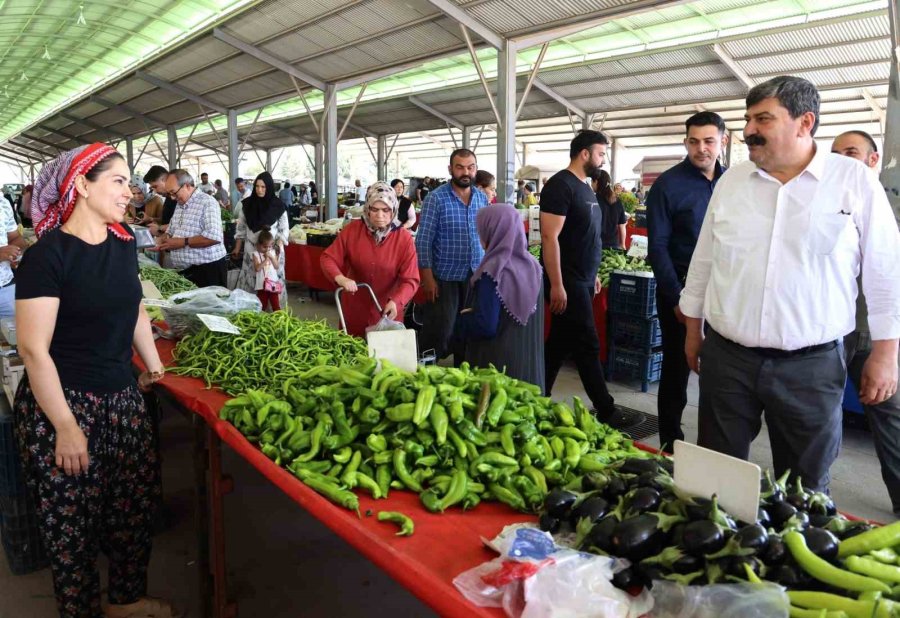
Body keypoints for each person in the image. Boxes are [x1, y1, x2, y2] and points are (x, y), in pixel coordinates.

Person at [680, 76, 900, 492]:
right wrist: (693, 330)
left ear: (805, 122)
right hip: (729, 360)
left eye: (763, 119)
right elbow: (704, 260)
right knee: (715, 475)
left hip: (811, 369)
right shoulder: (732, 183)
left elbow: (885, 270)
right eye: (748, 119)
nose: (749, 130)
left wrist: (887, 353)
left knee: (805, 485)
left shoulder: (853, 181)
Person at [14, 143, 171, 618]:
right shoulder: (47, 257)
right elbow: (33, 349)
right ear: (82, 185)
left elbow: (135, 309)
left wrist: (154, 367)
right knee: (72, 529)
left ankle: (126, 601)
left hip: (121, 399)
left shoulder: (123, 244)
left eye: (130, 183)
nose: (130, 192)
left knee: (132, 512)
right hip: (65, 405)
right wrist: (65, 426)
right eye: (118, 181)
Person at [646, 111, 727, 450]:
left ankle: (715, 448)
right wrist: (678, 298)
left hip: (723, 292)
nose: (701, 148)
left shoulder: (732, 182)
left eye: (709, 141)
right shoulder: (668, 185)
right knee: (677, 369)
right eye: (694, 142)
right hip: (680, 288)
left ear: (722, 141)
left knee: (723, 372)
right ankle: (671, 444)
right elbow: (658, 247)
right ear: (685, 142)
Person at [831, 129, 900, 516]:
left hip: (872, 334)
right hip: (830, 331)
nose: (842, 161)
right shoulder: (824, 204)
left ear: (873, 160)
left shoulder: (889, 210)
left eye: (851, 153)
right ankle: (810, 499)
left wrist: (888, 349)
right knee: (818, 417)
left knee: (889, 414)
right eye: (836, 153)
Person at [541, 130, 621, 423]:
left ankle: (537, 394)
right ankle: (607, 409)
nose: (603, 160)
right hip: (568, 280)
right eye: (600, 154)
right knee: (588, 343)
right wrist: (557, 284)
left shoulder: (586, 188)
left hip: (584, 279)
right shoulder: (560, 186)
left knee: (559, 343)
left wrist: (594, 274)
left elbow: (588, 236)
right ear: (584, 153)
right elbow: (549, 238)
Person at [455, 204, 545, 390]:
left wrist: (461, 321)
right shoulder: (534, 267)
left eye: (482, 230)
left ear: (492, 232)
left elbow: (485, 325)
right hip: (529, 369)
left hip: (498, 372)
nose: (480, 235)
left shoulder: (494, 271)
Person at [415, 149, 488, 362]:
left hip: (474, 276)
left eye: (470, 167)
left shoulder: (481, 198)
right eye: (460, 167)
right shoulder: (436, 198)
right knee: (440, 330)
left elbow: (487, 236)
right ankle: (424, 369)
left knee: (467, 330)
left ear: (475, 169)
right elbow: (423, 240)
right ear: (450, 169)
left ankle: (462, 372)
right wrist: (427, 278)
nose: (466, 172)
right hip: (444, 277)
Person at [321, 182, 419, 337]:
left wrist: (397, 301)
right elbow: (328, 258)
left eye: (386, 210)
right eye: (374, 209)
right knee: (351, 349)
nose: (380, 215)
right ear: (367, 208)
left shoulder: (404, 239)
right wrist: (340, 278)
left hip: (387, 314)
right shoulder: (352, 231)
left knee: (383, 352)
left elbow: (411, 279)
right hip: (354, 311)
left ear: (394, 209)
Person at [156, 169, 228, 287]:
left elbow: (213, 237)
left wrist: (182, 242)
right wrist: (161, 240)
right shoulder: (180, 204)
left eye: (174, 193)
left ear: (187, 186)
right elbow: (171, 229)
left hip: (208, 270)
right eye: (169, 194)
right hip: (187, 271)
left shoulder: (208, 202)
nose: (172, 198)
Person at [231, 172, 289, 307]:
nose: (259, 190)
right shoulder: (247, 205)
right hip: (251, 249)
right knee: (252, 280)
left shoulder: (278, 206)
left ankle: (274, 310)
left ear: (269, 187)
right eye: (257, 186)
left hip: (272, 251)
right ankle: (250, 309)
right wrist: (237, 248)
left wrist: (276, 247)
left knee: (272, 280)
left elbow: (284, 229)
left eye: (263, 187)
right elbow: (241, 229)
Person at [0, 194, 27, 318]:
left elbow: (15, 237)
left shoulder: (2, 202)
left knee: (24, 326)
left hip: (5, 286)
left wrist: (16, 252)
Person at [590, 169, 627, 250]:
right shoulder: (617, 201)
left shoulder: (593, 200)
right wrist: (623, 244)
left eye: (592, 182)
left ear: (596, 182)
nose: (591, 185)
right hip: (613, 245)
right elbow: (622, 225)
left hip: (596, 246)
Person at [252, 228, 282, 312]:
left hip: (273, 284)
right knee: (262, 306)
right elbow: (257, 268)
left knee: (276, 305)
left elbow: (276, 266)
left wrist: (272, 258)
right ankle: (261, 318)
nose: (267, 249)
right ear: (258, 245)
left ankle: (279, 318)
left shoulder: (272, 253)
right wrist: (266, 260)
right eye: (265, 247)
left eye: (270, 246)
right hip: (261, 285)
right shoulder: (255, 254)